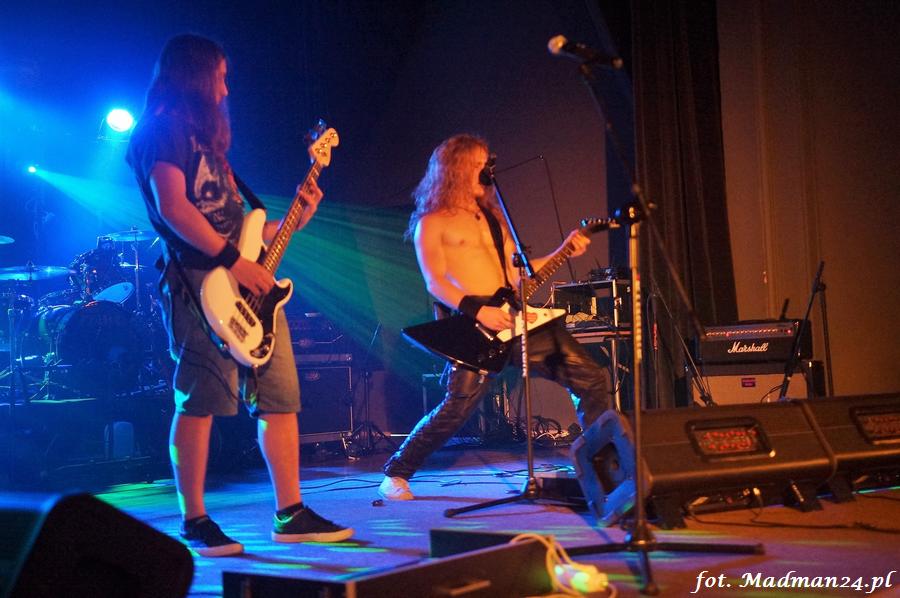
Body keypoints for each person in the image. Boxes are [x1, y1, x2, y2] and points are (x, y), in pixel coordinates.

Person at [127, 33, 353, 556]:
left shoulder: (211, 148)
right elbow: (173, 208)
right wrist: (233, 262)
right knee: (199, 402)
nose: (226, 89)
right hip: (199, 283)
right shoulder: (162, 131)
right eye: (221, 77)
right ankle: (195, 519)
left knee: (280, 398)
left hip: (248, 285)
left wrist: (297, 216)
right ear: (197, 76)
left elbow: (246, 230)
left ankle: (290, 512)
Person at [379, 134, 613, 500]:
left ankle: (599, 463)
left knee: (591, 378)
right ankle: (397, 470)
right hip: (473, 323)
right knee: (457, 407)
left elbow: (518, 275)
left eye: (487, 163)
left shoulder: (492, 218)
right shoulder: (432, 222)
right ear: (455, 169)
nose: (486, 170)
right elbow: (435, 282)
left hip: (513, 318)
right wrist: (480, 312)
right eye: (478, 164)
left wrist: (565, 250)